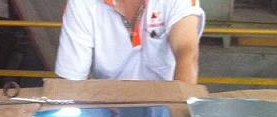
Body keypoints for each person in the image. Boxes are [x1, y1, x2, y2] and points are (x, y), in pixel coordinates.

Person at [55, 0, 205, 84]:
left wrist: (179, 110)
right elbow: (70, 81)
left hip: (166, 104)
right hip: (107, 105)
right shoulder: (81, 3)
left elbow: (187, 54)